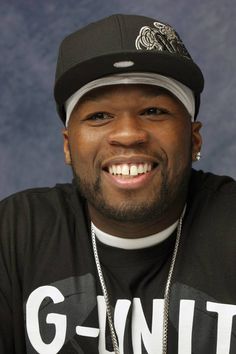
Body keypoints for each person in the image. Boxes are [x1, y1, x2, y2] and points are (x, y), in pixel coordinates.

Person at [0, 13, 235, 354]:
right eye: (99, 116)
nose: (128, 134)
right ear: (69, 145)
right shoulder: (16, 233)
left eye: (154, 111)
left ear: (194, 139)